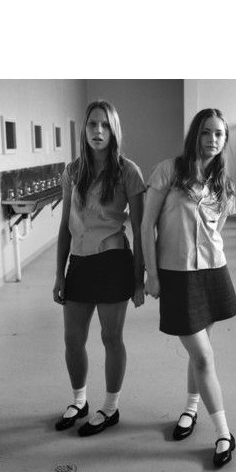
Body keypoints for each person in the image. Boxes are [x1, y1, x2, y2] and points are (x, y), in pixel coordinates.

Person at [141, 108, 236, 468]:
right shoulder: (169, 170)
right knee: (203, 355)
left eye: (219, 134)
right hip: (177, 274)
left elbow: (216, 230)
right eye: (206, 133)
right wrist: (151, 273)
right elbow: (146, 224)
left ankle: (191, 408)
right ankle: (225, 432)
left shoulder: (222, 181)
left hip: (212, 272)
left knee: (201, 355)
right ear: (195, 135)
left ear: (225, 139)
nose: (213, 140)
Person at [53, 100, 145, 436]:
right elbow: (65, 226)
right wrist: (59, 274)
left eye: (104, 125)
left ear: (113, 130)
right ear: (84, 129)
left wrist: (139, 280)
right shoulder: (72, 171)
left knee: (111, 337)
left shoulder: (128, 171)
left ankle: (110, 407)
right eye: (92, 124)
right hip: (79, 262)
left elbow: (139, 227)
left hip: (112, 262)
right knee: (73, 339)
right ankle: (79, 400)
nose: (98, 131)